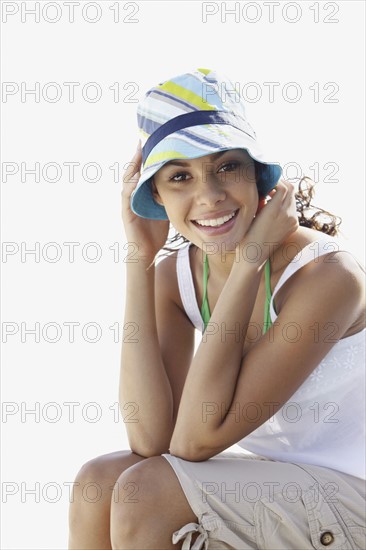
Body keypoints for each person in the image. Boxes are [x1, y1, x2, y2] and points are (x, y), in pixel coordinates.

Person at [68, 68, 366, 550]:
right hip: (279, 490)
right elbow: (152, 439)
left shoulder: (327, 276)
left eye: (227, 166)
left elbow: (195, 441)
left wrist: (249, 262)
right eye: (180, 177)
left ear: (258, 176)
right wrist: (139, 260)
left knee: (149, 492)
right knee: (99, 482)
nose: (209, 196)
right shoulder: (177, 278)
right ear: (156, 198)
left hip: (354, 496)